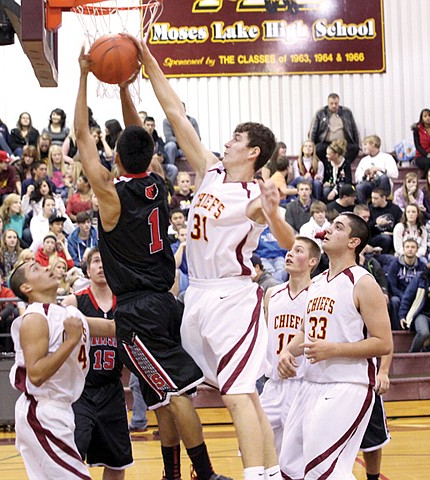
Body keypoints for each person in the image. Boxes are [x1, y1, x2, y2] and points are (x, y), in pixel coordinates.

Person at [143, 38, 293, 480]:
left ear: (253, 154)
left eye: (237, 139)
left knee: (238, 392)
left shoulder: (253, 196)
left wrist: (271, 209)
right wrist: (149, 60)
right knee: (207, 391)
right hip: (198, 296)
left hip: (232, 296)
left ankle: (256, 475)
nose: (226, 142)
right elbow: (175, 115)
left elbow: (282, 236)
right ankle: (270, 472)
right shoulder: (209, 170)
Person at [78, 50, 229, 480]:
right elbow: (136, 134)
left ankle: (205, 474)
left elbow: (83, 139)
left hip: (138, 313)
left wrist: (85, 75)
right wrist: (126, 86)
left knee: (175, 393)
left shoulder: (110, 197)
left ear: (118, 160)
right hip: (165, 302)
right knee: (163, 397)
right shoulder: (158, 183)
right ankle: (172, 474)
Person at [277, 213, 392, 479]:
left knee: (323, 468)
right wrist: (286, 351)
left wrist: (334, 349)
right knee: (290, 465)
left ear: (353, 242)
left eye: (338, 227)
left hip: (347, 385)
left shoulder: (363, 282)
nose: (328, 229)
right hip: (311, 383)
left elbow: (383, 342)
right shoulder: (316, 282)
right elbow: (305, 331)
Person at [7, 260, 116, 479]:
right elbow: (35, 374)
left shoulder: (68, 313)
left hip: (62, 408)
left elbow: (113, 328)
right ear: (26, 288)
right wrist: (71, 341)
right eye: (35, 269)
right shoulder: (35, 318)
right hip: (41, 410)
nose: (47, 268)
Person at [62, 249, 132, 479]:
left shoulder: (124, 303)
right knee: (73, 452)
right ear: (87, 270)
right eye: (96, 261)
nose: (101, 266)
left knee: (116, 461)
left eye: (106, 262)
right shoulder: (74, 301)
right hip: (81, 390)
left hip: (112, 389)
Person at [260, 237, 320, 455]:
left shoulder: (318, 295)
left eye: (298, 251)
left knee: (295, 458)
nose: (289, 254)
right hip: (273, 384)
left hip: (303, 383)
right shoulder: (271, 294)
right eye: (289, 250)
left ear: (312, 261)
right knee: (257, 448)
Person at [308, 93, 360, 169]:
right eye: (331, 103)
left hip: (343, 143)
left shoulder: (347, 112)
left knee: (355, 148)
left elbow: (354, 129)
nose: (334, 106)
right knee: (318, 149)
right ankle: (328, 167)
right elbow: (313, 130)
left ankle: (344, 165)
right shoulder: (320, 113)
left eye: (336, 103)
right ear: (328, 103)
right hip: (327, 143)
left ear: (339, 103)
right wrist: (311, 145)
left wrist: (359, 145)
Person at [387, 239, 427, 330]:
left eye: (413, 247)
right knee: (394, 301)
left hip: (416, 296)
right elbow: (392, 285)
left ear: (417, 250)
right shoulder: (395, 265)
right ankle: (397, 330)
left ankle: (413, 328)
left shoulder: (422, 266)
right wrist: (403, 296)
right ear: (403, 249)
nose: (410, 249)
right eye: (407, 247)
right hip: (399, 294)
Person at [355, 135, 399, 204]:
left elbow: (395, 174)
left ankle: (382, 201)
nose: (364, 147)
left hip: (383, 185)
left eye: (366, 144)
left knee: (383, 177)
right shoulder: (364, 160)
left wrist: (379, 169)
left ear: (373, 144)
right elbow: (357, 178)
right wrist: (365, 175)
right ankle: (363, 208)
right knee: (359, 187)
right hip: (369, 184)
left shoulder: (387, 157)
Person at [163, 102, 201, 167]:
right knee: (170, 145)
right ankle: (170, 169)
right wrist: (185, 140)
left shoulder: (192, 121)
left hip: (188, 149)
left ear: (185, 110)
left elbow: (197, 138)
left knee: (200, 147)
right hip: (175, 150)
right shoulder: (167, 121)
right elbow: (169, 138)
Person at [367, 188, 403, 254]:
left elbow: (401, 224)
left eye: (376, 198)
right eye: (372, 198)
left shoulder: (395, 209)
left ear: (383, 198)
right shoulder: (370, 209)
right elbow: (366, 227)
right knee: (385, 238)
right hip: (375, 237)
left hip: (393, 235)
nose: (373, 201)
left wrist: (392, 233)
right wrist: (376, 222)